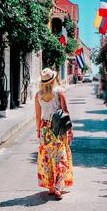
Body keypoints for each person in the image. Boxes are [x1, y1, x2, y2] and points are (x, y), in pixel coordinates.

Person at [35, 68, 74, 200]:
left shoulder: (38, 95)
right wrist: (70, 130)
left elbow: (37, 116)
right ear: (53, 80)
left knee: (47, 158)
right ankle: (58, 188)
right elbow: (66, 112)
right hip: (58, 129)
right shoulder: (59, 92)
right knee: (60, 157)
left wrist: (38, 131)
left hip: (45, 129)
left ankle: (51, 187)